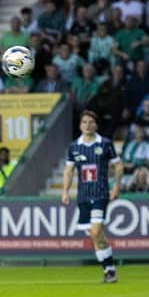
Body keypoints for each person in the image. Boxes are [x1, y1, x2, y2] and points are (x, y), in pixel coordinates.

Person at [61, 110, 123, 283]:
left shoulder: (105, 144)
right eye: (84, 122)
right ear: (80, 126)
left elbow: (118, 166)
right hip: (83, 196)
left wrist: (117, 186)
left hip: (100, 194)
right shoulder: (74, 146)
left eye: (91, 122)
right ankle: (109, 270)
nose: (87, 125)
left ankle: (109, 270)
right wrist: (65, 191)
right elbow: (68, 170)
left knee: (96, 231)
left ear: (96, 125)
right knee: (94, 234)